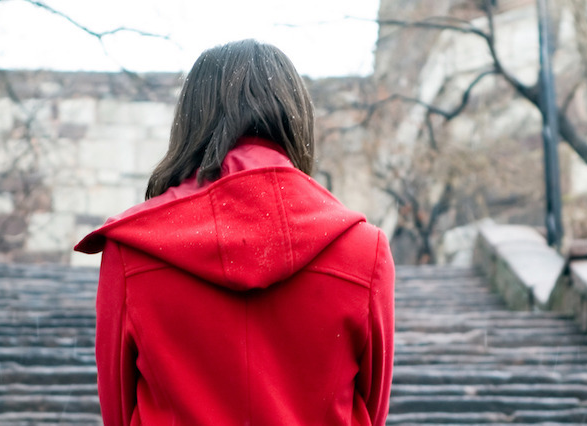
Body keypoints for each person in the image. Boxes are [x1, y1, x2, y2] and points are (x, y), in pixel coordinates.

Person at [74, 39, 395, 425]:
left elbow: (118, 411)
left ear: (191, 119)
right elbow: (371, 410)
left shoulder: (132, 249)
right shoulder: (364, 250)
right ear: (296, 119)